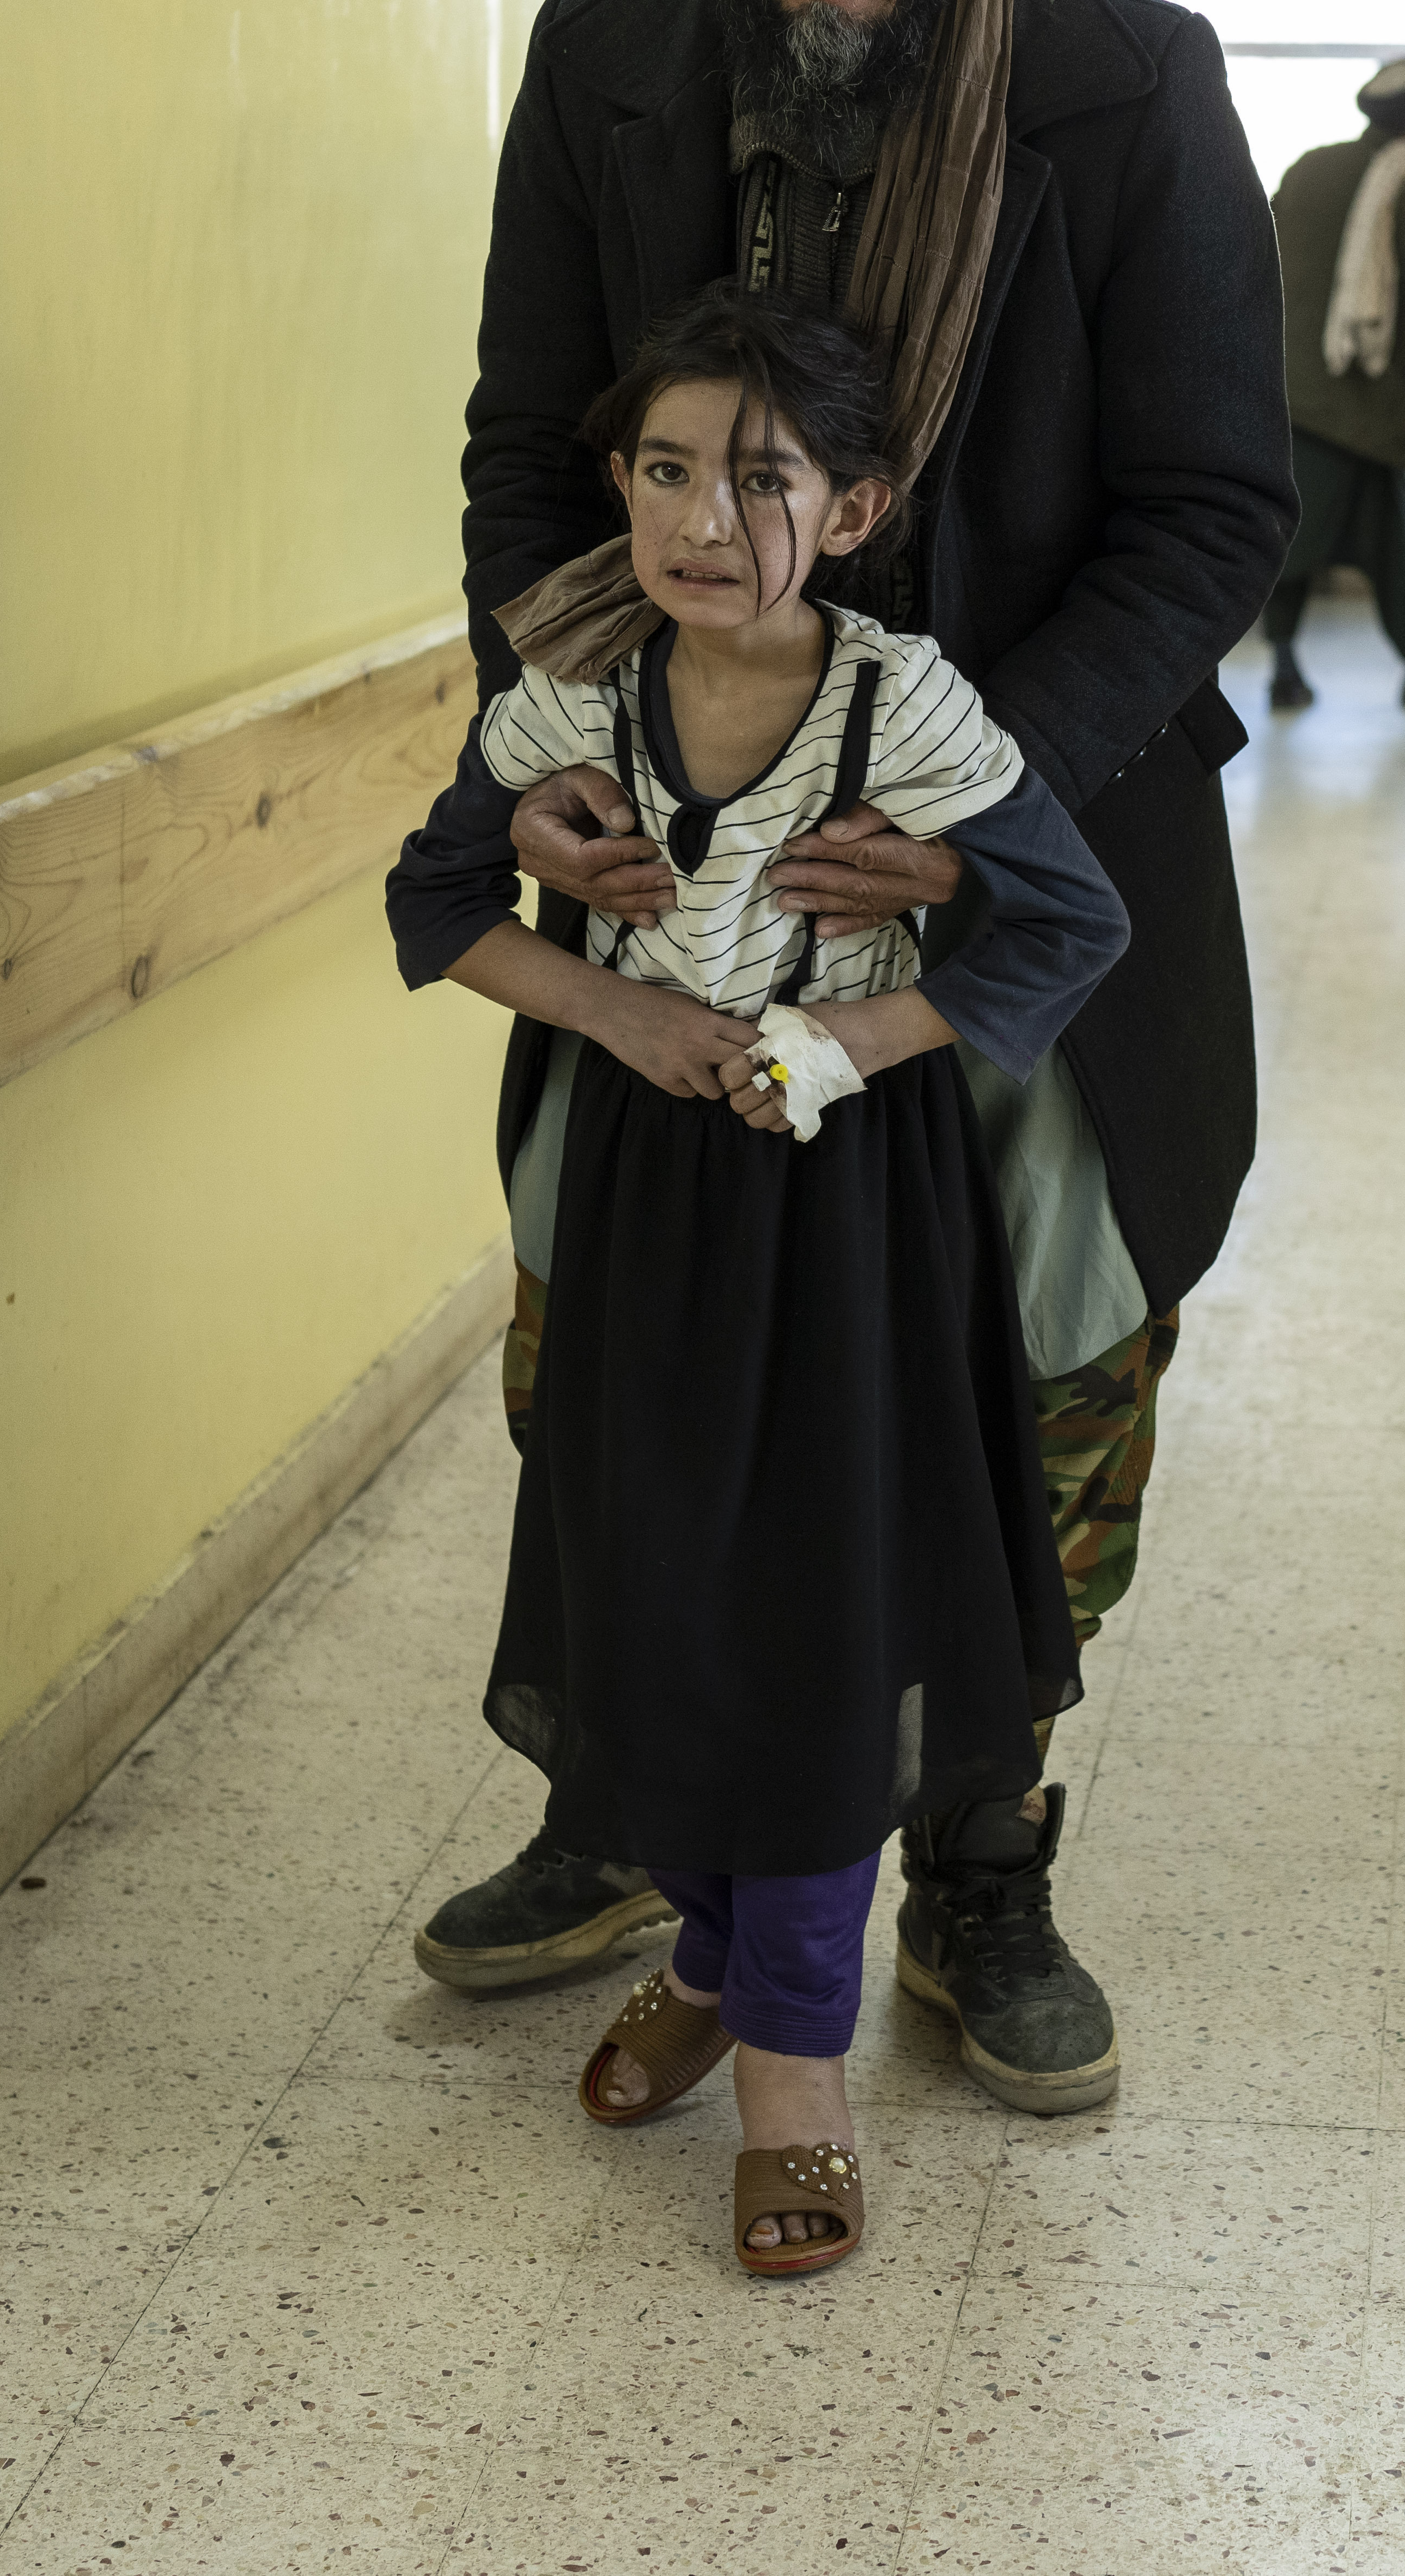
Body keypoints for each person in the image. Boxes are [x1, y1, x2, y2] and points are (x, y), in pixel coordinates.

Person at [411, 0, 1290, 2121]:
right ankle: (623, 1800)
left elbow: (1206, 504)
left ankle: (985, 1856)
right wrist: (598, 740)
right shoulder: (608, 67)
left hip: (1015, 879)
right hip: (671, 866)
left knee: (1038, 1351)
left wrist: (946, 786)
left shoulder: (1124, 91)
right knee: (630, 1328)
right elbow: (520, 454)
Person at [386, 287, 1132, 2274]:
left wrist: (847, 1044)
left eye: (761, 477)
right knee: (661, 1594)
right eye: (661, 470)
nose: (702, 518)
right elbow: (436, 899)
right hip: (648, 1205)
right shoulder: (570, 696)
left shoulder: (910, 709)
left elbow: (1068, 922)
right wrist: (619, 1025)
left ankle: (795, 2059)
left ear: (861, 504)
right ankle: (715, 1958)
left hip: (848, 1213)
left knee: (812, 1621)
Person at [1260, 56, 1405, 711]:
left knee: (1288, 543)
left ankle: (1282, 664)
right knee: (1393, 551)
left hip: (1292, 399)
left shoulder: (1309, 168)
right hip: (1365, 411)